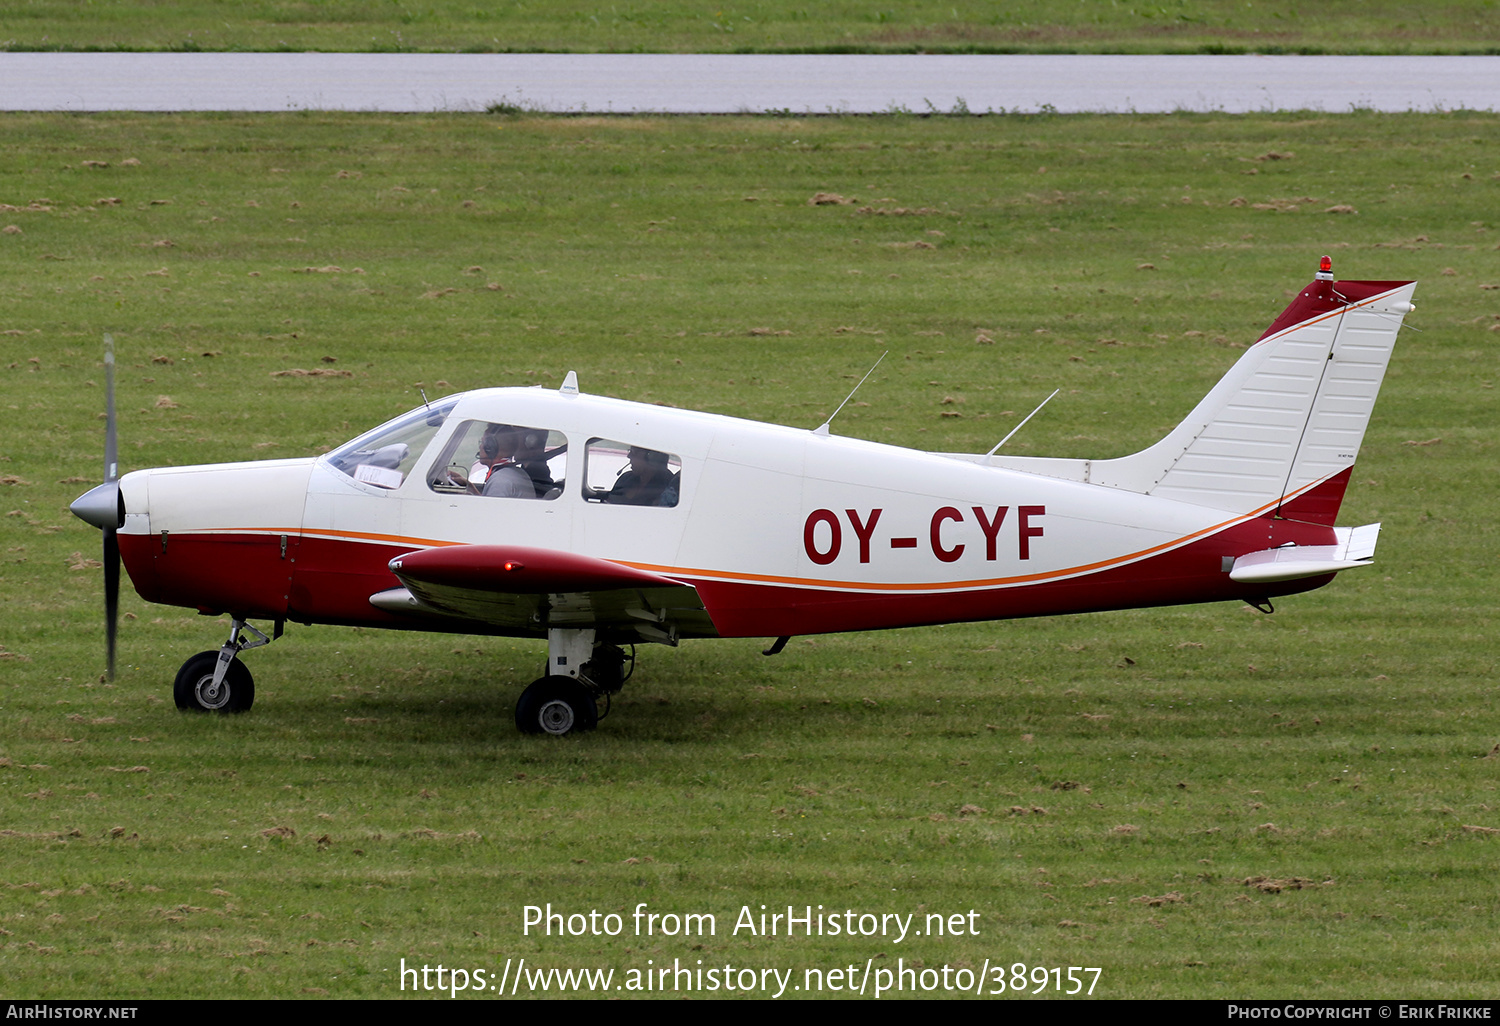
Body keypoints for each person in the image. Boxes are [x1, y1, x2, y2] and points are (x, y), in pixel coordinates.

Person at [606, 446, 677, 506]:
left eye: (634, 452)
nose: (629, 456)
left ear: (652, 457)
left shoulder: (668, 486)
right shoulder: (626, 478)